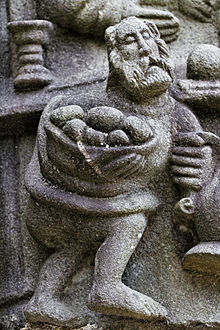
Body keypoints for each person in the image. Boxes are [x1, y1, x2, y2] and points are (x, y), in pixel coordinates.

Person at [24, 17, 213, 327]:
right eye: (130, 41)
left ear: (162, 50)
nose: (142, 47)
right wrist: (92, 157)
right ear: (114, 59)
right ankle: (107, 287)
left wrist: (195, 179)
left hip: (91, 212)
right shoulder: (97, 103)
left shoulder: (178, 113)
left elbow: (194, 158)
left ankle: (43, 299)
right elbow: (60, 133)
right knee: (130, 216)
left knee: (83, 241)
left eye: (147, 38)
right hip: (57, 201)